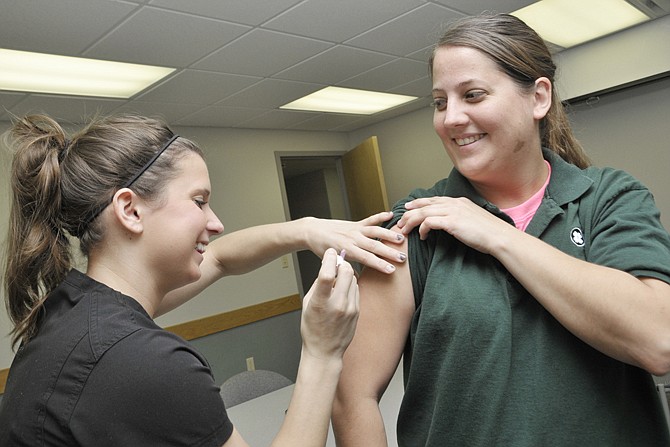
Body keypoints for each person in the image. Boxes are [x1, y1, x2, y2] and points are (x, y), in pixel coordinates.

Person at [332, 13, 670, 446]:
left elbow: (657, 340)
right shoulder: (418, 221)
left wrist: (497, 235)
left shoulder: (609, 198)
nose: (451, 118)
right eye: (439, 102)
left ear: (538, 98)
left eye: (472, 95)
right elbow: (351, 394)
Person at [0, 113, 406, 446]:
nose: (216, 223)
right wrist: (322, 351)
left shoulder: (75, 310)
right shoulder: (139, 360)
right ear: (130, 210)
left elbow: (222, 258)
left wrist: (306, 229)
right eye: (199, 201)